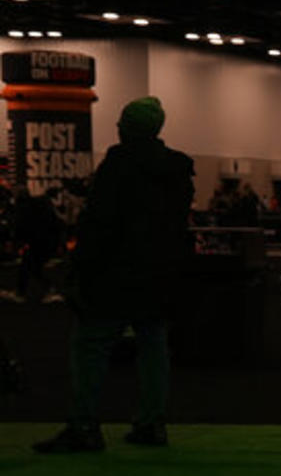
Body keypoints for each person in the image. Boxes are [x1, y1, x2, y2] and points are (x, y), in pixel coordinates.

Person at [32, 97, 194, 453]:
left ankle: (84, 424)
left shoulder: (117, 165)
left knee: (90, 345)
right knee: (153, 346)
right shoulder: (178, 169)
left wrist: (77, 266)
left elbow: (100, 225)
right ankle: (152, 422)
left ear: (127, 128)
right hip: (158, 274)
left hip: (113, 275)